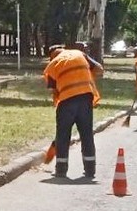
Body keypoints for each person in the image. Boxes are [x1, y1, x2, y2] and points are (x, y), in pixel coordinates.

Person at [43, 43, 103, 179]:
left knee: (63, 136)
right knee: (87, 135)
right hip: (86, 99)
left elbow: (54, 91)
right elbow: (99, 69)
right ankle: (90, 170)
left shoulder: (53, 65)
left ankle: (61, 171)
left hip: (67, 102)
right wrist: (86, 75)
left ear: (51, 57)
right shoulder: (79, 54)